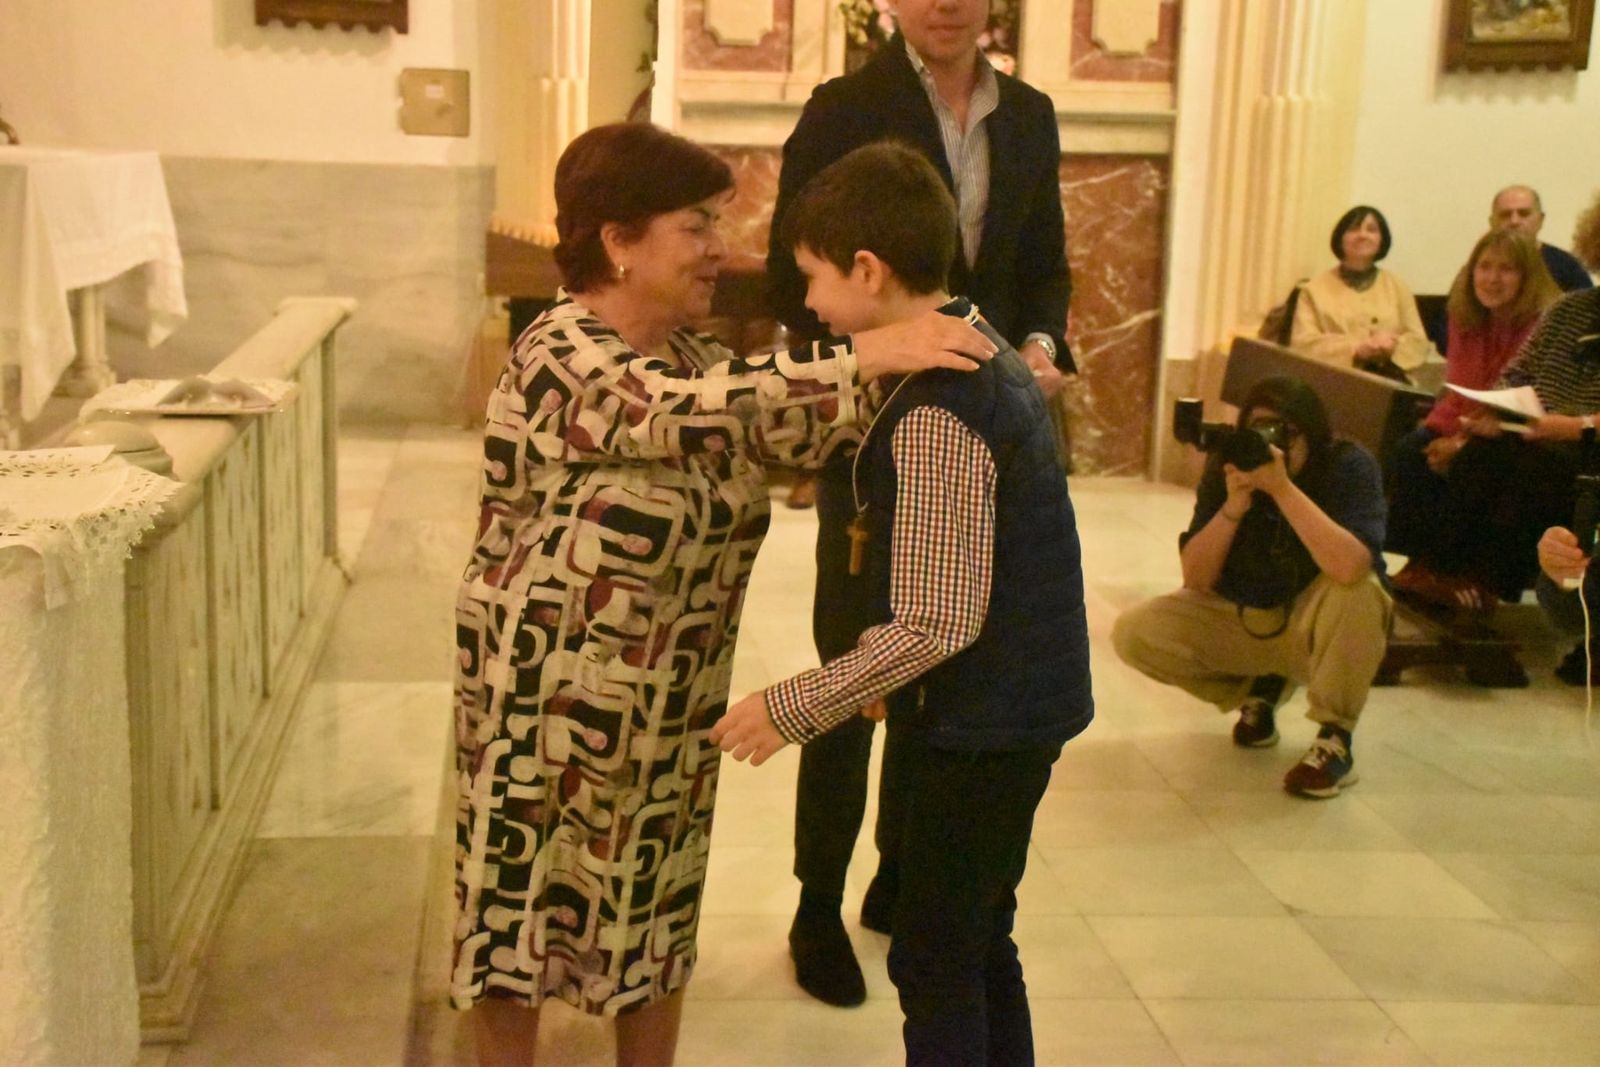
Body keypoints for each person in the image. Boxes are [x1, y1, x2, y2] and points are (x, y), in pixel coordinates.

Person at [449, 122, 995, 1067]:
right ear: (618, 241)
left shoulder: (701, 359)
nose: (721, 250)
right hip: (538, 719)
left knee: (653, 928)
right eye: (697, 226)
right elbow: (673, 415)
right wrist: (871, 354)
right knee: (518, 941)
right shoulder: (560, 350)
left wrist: (976, 368)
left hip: (669, 714)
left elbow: (796, 420)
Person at [713, 141, 1092, 1067]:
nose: (805, 303)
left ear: (868, 270)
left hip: (985, 724)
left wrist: (791, 706)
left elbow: (939, 620)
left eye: (812, 277)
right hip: (1014, 705)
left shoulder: (937, 410)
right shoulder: (982, 339)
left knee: (935, 960)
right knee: (976, 939)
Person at [764, 0, 1077, 1009]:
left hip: (973, 398)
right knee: (858, 660)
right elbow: (794, 269)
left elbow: (1043, 267)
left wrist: (1038, 347)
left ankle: (908, 875)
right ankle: (818, 900)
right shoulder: (846, 105)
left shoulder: (1026, 112)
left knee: (945, 669)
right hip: (874, 434)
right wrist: (871, 357)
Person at [1112, 378, 1391, 799]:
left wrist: (1282, 489)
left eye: (1283, 433)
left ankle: (1335, 737)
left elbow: (1351, 566)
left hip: (1318, 628)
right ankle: (1260, 689)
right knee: (1136, 633)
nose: (1269, 445)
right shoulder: (1230, 464)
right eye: (1258, 431)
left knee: (1360, 592)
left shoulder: (1348, 465)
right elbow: (1197, 580)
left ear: (1311, 434)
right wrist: (1233, 507)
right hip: (1247, 618)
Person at [1406, 190, 1600, 616]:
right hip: (1533, 434)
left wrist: (1569, 426)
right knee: (1476, 453)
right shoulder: (1571, 310)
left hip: (1585, 449)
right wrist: (1496, 415)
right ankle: (1441, 574)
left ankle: (1482, 585)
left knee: (1525, 469)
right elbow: (1516, 375)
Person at [1386, 229, 1562, 609]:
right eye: (1484, 267)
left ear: (1526, 276)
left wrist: (1460, 444)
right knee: (1410, 451)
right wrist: (1443, 435)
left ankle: (1460, 573)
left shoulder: (1542, 321)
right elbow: (1462, 388)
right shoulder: (1463, 311)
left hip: (1522, 427)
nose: (1492, 278)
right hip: (1468, 417)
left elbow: (1516, 392)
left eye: (1506, 269)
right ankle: (1420, 564)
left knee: (1473, 461)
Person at [1290, 205, 1434, 376]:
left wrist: (1392, 346)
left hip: (1388, 380)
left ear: (1382, 240)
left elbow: (1418, 341)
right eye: (1354, 229)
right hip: (1331, 380)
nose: (1363, 235)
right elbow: (1303, 345)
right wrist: (1356, 348)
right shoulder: (1312, 290)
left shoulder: (1397, 286)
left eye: (1372, 230)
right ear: (1339, 238)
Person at [1490, 184, 1595, 293]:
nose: (1514, 221)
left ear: (1540, 220)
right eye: (1505, 215)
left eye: (1524, 214)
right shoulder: (1481, 266)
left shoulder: (1567, 266)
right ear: (1492, 222)